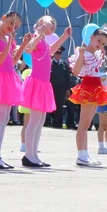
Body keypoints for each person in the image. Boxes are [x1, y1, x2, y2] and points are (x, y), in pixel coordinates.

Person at [21, 16, 71, 168]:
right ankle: (29, 155)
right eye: (52, 23)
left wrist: (64, 36)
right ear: (42, 23)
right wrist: (39, 33)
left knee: (40, 120)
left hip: (43, 83)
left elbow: (51, 50)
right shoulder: (37, 37)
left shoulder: (44, 40)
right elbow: (28, 49)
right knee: (35, 120)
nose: (54, 26)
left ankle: (34, 154)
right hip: (36, 81)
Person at [0, 11, 31, 169]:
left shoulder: (8, 40)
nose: (12, 27)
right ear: (3, 18)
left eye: (16, 26)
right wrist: (8, 44)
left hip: (9, 78)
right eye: (11, 22)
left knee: (5, 118)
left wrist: (24, 44)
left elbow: (12, 60)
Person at [69, 28, 107, 167]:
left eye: (103, 43)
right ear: (92, 37)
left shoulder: (97, 54)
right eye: (99, 40)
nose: (100, 45)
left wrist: (106, 74)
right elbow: (76, 72)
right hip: (88, 87)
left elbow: (96, 73)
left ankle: (85, 153)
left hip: (96, 87)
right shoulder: (83, 53)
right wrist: (81, 55)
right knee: (83, 124)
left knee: (87, 124)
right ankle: (81, 155)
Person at [49, 46, 71, 128]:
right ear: (54, 54)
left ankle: (57, 122)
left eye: (60, 53)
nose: (58, 55)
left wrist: (67, 89)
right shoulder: (50, 64)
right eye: (57, 53)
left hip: (61, 89)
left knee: (59, 105)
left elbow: (67, 78)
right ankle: (48, 121)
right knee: (50, 104)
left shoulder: (64, 65)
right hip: (51, 87)